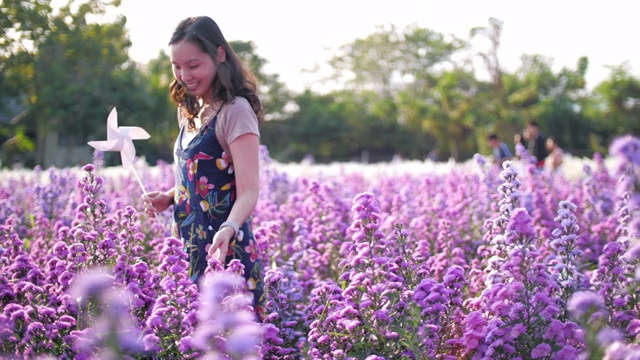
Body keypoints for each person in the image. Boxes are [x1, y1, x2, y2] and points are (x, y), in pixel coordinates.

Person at [142, 16, 265, 320]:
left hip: (225, 249)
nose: (184, 75)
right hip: (186, 247)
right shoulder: (189, 110)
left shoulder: (236, 110)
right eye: (176, 66)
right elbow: (203, 177)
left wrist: (227, 229)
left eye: (193, 65)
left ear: (219, 54)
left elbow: (249, 190)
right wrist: (171, 196)